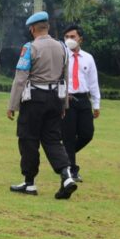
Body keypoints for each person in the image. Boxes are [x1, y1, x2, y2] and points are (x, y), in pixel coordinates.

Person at [7, 11, 77, 199]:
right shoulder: (62, 47)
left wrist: (12, 104)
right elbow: (65, 77)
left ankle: (29, 183)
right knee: (53, 139)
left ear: (32, 29)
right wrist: (64, 105)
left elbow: (20, 78)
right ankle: (66, 175)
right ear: (47, 28)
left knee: (28, 138)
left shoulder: (30, 48)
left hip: (34, 99)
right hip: (55, 98)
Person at [61, 24, 100, 182]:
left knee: (87, 134)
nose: (69, 40)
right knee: (68, 137)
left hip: (83, 100)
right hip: (67, 99)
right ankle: (72, 170)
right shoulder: (62, 56)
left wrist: (96, 104)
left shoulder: (88, 58)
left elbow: (93, 82)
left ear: (80, 39)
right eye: (67, 37)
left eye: (72, 37)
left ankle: (63, 157)